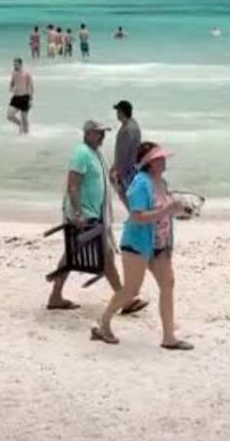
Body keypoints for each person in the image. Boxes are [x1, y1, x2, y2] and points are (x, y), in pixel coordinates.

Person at [92, 141, 191, 348]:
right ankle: (103, 325)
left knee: (168, 284)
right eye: (160, 158)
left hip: (160, 245)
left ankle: (169, 337)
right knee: (131, 290)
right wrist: (166, 211)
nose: (164, 161)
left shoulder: (161, 182)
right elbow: (137, 216)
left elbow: (166, 210)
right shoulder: (140, 183)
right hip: (137, 244)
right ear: (150, 162)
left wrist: (180, 210)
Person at [46, 121, 145, 315]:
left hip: (94, 214)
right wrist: (77, 213)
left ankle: (55, 296)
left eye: (104, 133)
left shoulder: (96, 153)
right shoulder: (81, 153)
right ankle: (124, 300)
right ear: (88, 133)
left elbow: (102, 178)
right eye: (99, 133)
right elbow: (73, 185)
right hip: (84, 215)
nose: (103, 137)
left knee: (76, 254)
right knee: (104, 256)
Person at [110, 100, 142, 204]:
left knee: (127, 197)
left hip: (127, 170)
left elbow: (123, 153)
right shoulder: (134, 125)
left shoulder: (126, 129)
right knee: (133, 198)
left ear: (122, 112)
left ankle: (135, 217)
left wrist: (116, 171)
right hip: (134, 167)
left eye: (118, 111)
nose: (116, 114)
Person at [7, 58, 34, 134]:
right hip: (16, 97)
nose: (15, 66)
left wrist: (31, 100)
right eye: (14, 64)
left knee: (24, 118)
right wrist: (11, 88)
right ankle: (20, 125)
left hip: (25, 97)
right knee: (9, 115)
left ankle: (26, 136)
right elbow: (11, 83)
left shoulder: (27, 73)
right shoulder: (13, 73)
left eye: (16, 64)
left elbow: (31, 86)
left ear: (20, 64)